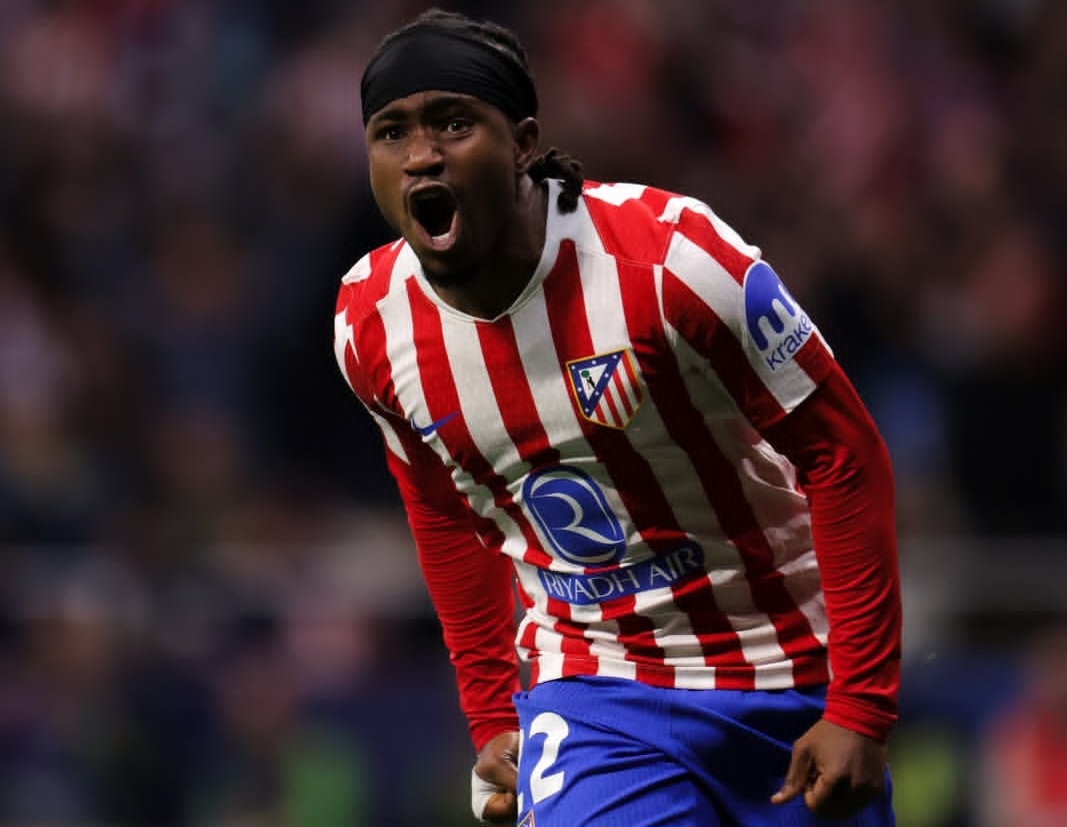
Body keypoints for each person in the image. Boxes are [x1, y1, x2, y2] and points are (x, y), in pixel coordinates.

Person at [334, 8, 901, 826]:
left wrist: (860, 704)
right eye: (391, 133)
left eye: (453, 123)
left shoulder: (672, 261)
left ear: (523, 143)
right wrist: (491, 715)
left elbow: (841, 454)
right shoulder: (369, 322)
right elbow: (445, 513)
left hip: (786, 671)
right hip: (595, 689)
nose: (421, 154)